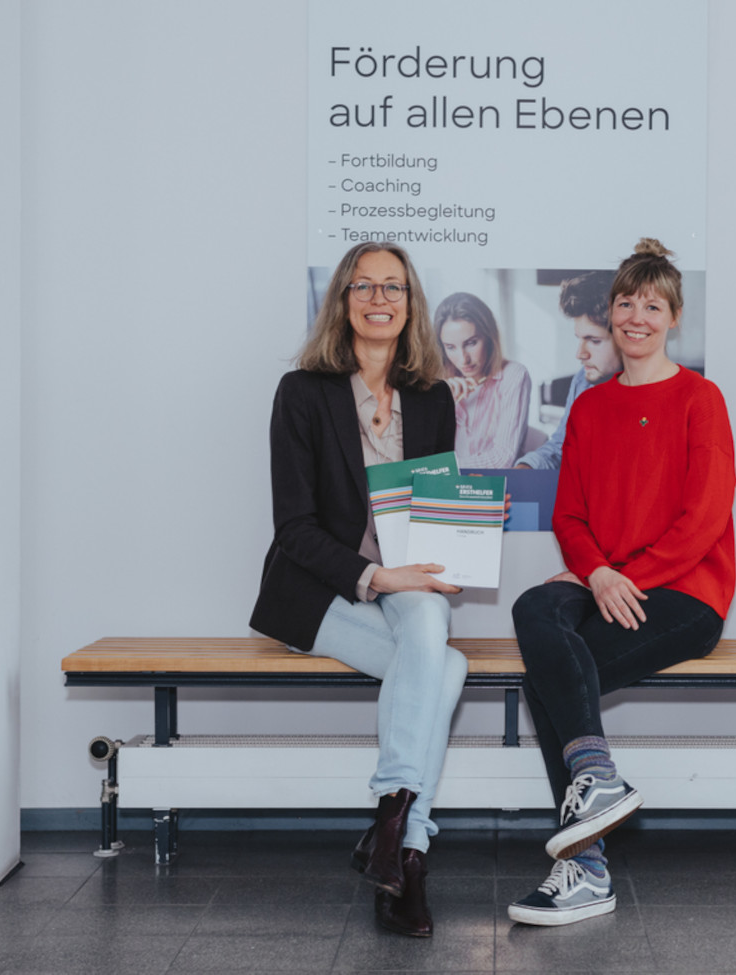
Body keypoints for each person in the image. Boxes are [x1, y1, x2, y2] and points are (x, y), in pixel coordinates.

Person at [507, 239, 736, 926]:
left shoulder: (701, 398)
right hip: (608, 578)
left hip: (686, 592)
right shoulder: (589, 408)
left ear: (674, 317)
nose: (637, 316)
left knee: (544, 680)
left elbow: (704, 518)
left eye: (653, 304)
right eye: (626, 302)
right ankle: (598, 783)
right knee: (534, 605)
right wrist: (598, 572)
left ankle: (584, 868)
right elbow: (568, 513)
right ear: (609, 313)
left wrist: (618, 577)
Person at [249, 242, 466, 939]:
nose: (380, 299)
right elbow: (294, 529)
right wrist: (376, 575)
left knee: (431, 626)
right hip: (319, 590)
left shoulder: (432, 397)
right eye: (364, 286)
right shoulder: (302, 392)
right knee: (448, 664)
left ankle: (395, 832)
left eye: (393, 287)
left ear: (411, 302)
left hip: (406, 580)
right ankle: (407, 844)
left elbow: (436, 507)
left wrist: (446, 551)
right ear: (342, 300)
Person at [515, 270, 622, 470]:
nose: (580, 354)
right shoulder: (582, 381)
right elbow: (560, 447)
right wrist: (525, 469)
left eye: (594, 341)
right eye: (579, 338)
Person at [434, 291, 532, 467]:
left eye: (471, 343)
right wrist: (441, 406)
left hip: (496, 487)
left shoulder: (514, 375)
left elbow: (503, 458)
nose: (463, 359)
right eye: (451, 347)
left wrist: (444, 468)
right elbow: (421, 456)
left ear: (489, 337)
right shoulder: (439, 384)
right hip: (450, 487)